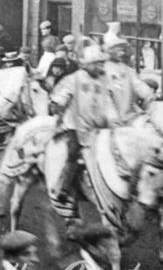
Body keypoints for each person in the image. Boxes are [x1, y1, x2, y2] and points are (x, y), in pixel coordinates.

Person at [49, 42, 119, 207]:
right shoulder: (74, 79)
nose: (101, 66)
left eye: (102, 63)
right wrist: (58, 103)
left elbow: (109, 103)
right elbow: (62, 96)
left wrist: (114, 120)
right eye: (98, 63)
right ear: (88, 64)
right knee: (73, 152)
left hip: (97, 127)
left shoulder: (104, 81)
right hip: (75, 125)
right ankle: (63, 188)